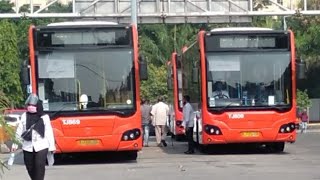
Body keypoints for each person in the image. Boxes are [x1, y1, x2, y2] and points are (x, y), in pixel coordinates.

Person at [11, 94, 56, 180]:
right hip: (27, 146)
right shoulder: (24, 116)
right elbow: (19, 131)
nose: (31, 107)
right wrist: (15, 145)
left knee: (39, 166)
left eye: (33, 105)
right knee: (30, 168)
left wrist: (52, 146)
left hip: (41, 146)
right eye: (29, 105)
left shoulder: (44, 117)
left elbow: (49, 132)